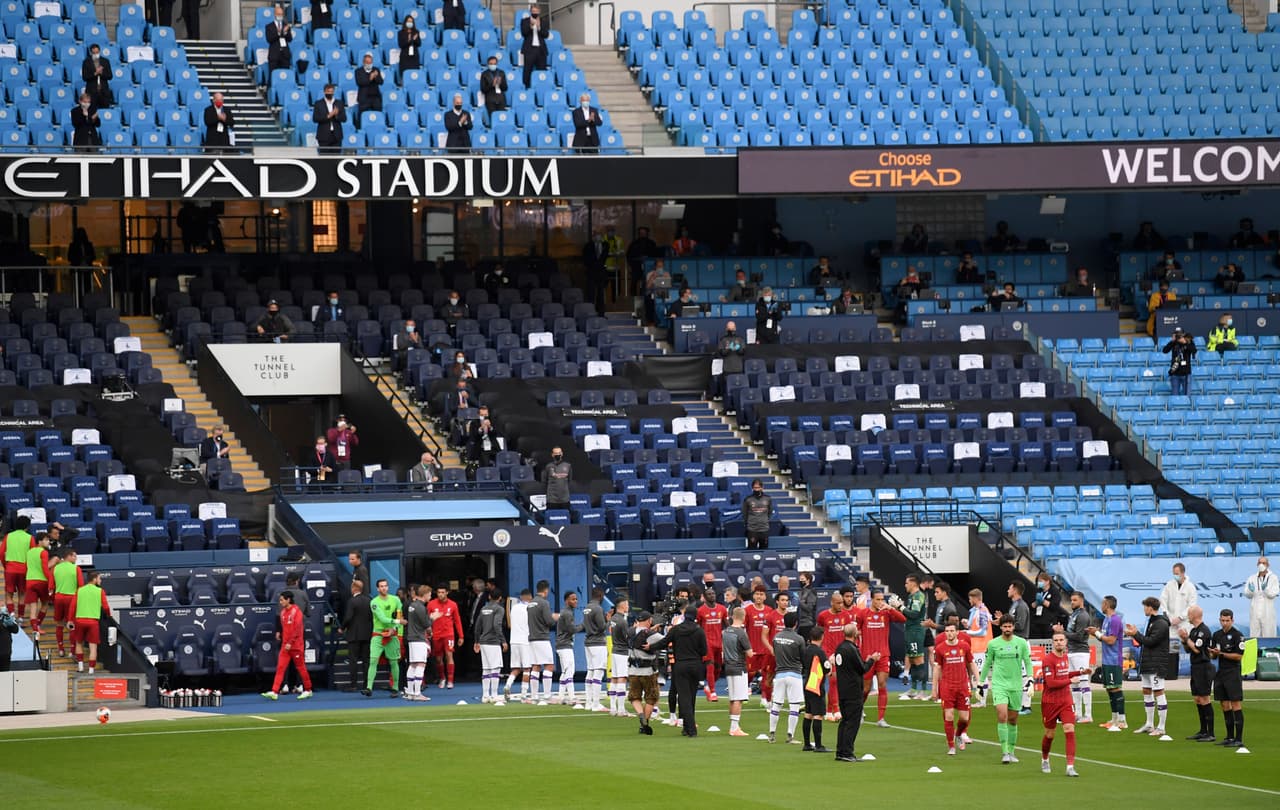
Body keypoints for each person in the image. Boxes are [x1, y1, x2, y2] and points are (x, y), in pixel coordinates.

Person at [979, 615, 1034, 763]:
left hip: (1016, 686)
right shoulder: (993, 644)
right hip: (999, 685)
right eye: (1005, 626)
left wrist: (1030, 678)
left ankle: (1011, 750)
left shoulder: (1021, 643)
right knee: (1002, 715)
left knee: (1013, 719)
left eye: (1010, 626)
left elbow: (1028, 662)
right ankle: (1004, 752)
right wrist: (981, 682)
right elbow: (987, 663)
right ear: (1001, 627)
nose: (1007, 629)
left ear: (1013, 627)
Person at [1039, 630, 1085, 776]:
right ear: (1053, 643)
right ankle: (1045, 759)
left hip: (1065, 700)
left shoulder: (1065, 657)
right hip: (1050, 702)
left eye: (1061, 640)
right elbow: (1051, 683)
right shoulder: (1048, 660)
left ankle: (1070, 767)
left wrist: (1079, 673)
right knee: (1050, 734)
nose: (1059, 642)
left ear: (1065, 642)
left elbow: (1064, 675)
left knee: (1069, 729)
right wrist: (1070, 680)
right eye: (1056, 640)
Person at [1124, 596, 1170, 736]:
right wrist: (1136, 633)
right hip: (1148, 663)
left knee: (1158, 692)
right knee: (1146, 691)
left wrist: (1135, 634)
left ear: (1151, 607)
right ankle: (1149, 724)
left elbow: (1150, 641)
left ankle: (1161, 727)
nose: (1144, 609)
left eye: (1145, 606)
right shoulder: (1152, 621)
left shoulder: (1161, 623)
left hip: (1156, 664)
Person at [857, 590, 904, 727]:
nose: (880, 602)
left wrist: (891, 608)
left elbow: (902, 619)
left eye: (882, 599)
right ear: (871, 600)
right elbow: (857, 630)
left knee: (882, 685)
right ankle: (859, 711)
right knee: (865, 688)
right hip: (867, 656)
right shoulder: (863, 614)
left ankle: (881, 718)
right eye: (877, 599)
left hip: (883, 655)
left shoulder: (886, 613)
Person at [932, 618, 977, 756]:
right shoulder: (940, 649)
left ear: (957, 632)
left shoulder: (964, 647)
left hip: (963, 686)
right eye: (947, 631)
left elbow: (971, 663)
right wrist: (934, 689)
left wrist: (979, 680)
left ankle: (958, 734)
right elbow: (937, 668)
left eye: (952, 631)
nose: (949, 633)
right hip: (947, 687)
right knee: (949, 716)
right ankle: (951, 746)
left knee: (964, 718)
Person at [833, 623, 877, 762]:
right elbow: (862, 668)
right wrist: (872, 660)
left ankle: (840, 751)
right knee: (852, 722)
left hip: (843, 690)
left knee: (844, 721)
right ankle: (847, 752)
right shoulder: (851, 649)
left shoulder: (840, 648)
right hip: (853, 691)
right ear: (855, 634)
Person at [262, 591, 313, 699]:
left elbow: (297, 629)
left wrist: (290, 642)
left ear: (288, 600)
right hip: (285, 646)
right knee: (280, 667)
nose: (280, 602)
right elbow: (285, 629)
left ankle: (308, 689)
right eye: (280, 600)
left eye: (282, 600)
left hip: (296, 646)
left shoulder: (297, 611)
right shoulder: (283, 613)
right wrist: (282, 638)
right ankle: (274, 691)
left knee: (301, 668)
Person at [1087, 595, 1127, 730]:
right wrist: (1095, 633)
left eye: (1103, 603)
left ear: (1108, 605)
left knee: (1115, 688)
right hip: (1106, 659)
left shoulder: (1115, 620)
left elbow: (1111, 640)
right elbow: (1104, 638)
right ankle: (1114, 719)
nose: (1101, 605)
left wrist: (1097, 634)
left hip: (1114, 660)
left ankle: (1122, 720)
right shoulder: (1106, 620)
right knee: (1110, 689)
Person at [766, 612, 806, 744]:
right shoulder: (799, 639)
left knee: (776, 705)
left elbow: (775, 655)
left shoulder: (776, 637)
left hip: (780, 674)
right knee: (794, 706)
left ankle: (771, 734)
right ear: (796, 623)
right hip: (794, 674)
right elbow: (803, 657)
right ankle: (790, 736)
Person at [667, 605, 708, 736]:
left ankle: (691, 729)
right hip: (696, 665)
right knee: (692, 696)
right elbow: (704, 651)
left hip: (681, 665)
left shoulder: (676, 630)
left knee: (684, 697)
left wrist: (650, 647)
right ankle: (686, 727)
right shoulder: (699, 631)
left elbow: (664, 642)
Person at [1208, 608, 1246, 748]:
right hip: (1221, 672)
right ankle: (1229, 737)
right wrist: (1212, 653)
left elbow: (1239, 656)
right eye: (1222, 620)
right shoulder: (1216, 635)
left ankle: (1239, 738)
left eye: (1227, 620)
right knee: (1224, 704)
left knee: (1235, 703)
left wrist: (1221, 654)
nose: (1224, 623)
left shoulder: (1238, 636)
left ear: (1232, 620)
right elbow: (1213, 656)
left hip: (1233, 672)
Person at [1053, 591, 1092, 723]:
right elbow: (1071, 633)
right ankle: (1078, 713)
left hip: (1080, 652)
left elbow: (1080, 636)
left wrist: (1062, 632)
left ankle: (1088, 714)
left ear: (1081, 601)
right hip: (1071, 651)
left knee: (1083, 681)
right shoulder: (1074, 615)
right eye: (1071, 600)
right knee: (1074, 682)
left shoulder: (1083, 616)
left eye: (1075, 600)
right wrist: (1064, 631)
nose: (1072, 602)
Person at [623, 610, 664, 734]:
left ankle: (640, 715)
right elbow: (665, 641)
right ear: (649, 621)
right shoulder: (650, 634)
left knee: (634, 697)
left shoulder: (629, 632)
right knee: (651, 698)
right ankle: (645, 721)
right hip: (648, 672)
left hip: (632, 671)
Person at [1179, 605, 1215, 741]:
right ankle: (1203, 730)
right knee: (1197, 699)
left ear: (1194, 615)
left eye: (1189, 614)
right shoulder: (1194, 631)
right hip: (1195, 667)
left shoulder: (1203, 631)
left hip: (1203, 667)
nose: (1188, 616)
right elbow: (1189, 649)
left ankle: (1210, 733)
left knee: (1205, 698)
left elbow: (1198, 650)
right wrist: (1184, 640)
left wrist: (1186, 638)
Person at [363, 579, 403, 697]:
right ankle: (369, 687)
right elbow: (382, 618)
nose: (384, 588)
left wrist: (394, 628)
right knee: (373, 660)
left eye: (385, 586)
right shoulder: (374, 602)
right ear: (377, 589)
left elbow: (399, 614)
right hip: (378, 634)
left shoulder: (396, 600)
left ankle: (395, 687)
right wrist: (397, 621)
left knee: (394, 661)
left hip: (392, 634)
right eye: (381, 586)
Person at [67, 569, 111, 675]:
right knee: (93, 646)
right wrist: (109, 615)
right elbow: (105, 606)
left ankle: (81, 666)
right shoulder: (100, 591)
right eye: (99, 578)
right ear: (95, 579)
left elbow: (73, 606)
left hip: (80, 621)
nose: (100, 580)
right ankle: (91, 670)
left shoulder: (79, 590)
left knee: (78, 643)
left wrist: (70, 620)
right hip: (93, 622)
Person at [719, 605, 753, 736]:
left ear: (732, 616)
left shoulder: (726, 631)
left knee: (732, 698)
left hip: (728, 666)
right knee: (738, 698)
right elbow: (749, 653)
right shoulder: (741, 633)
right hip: (739, 667)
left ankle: (733, 726)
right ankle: (734, 728)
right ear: (744, 618)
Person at [799, 626, 831, 751]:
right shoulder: (820, 652)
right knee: (818, 714)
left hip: (807, 683)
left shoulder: (806, 650)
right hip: (816, 685)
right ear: (822, 637)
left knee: (808, 713)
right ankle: (818, 745)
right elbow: (827, 670)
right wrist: (831, 663)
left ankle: (807, 744)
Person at [744, 586, 777, 706]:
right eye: (757, 594)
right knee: (750, 672)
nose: (759, 596)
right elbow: (743, 629)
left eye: (761, 594)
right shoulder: (747, 610)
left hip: (766, 649)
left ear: (765, 596)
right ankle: (745, 689)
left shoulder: (769, 610)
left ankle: (764, 697)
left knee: (766, 674)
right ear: (753, 596)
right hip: (752, 648)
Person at [428, 583, 464, 689]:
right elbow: (426, 620)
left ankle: (450, 680)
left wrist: (461, 636)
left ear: (447, 592)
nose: (440, 594)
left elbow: (457, 621)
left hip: (449, 634)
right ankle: (442, 678)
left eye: (443, 592)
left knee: (449, 655)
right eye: (438, 592)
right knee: (438, 658)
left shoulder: (453, 605)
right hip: (436, 635)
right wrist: (427, 632)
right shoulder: (431, 604)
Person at [474, 588, 507, 704]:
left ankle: (485, 695)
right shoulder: (499, 609)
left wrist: (476, 641)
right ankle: (494, 695)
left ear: (489, 597)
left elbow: (477, 626)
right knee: (495, 668)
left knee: (486, 669)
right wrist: (503, 640)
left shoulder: (483, 609)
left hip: (483, 641)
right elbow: (497, 625)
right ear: (500, 598)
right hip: (493, 641)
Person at [526, 580, 557, 704]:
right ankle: (547, 695)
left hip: (532, 638)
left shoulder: (530, 603)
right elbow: (549, 622)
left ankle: (534, 696)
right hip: (542, 638)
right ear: (546, 590)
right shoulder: (544, 603)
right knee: (549, 665)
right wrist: (555, 618)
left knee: (536, 665)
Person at [340, 579, 372, 691]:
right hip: (367, 634)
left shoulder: (352, 601)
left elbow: (348, 617)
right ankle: (366, 685)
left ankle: (353, 685)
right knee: (366, 660)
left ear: (353, 588)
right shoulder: (369, 600)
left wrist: (342, 627)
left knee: (353, 660)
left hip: (354, 634)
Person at [900, 575, 929, 700]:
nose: (905, 585)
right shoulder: (911, 596)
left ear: (913, 583)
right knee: (912, 659)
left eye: (907, 583)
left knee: (918, 660)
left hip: (916, 631)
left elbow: (915, 614)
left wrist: (901, 607)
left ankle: (922, 690)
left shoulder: (918, 596)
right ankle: (913, 689)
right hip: (910, 630)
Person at [579, 587, 608, 712]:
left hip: (588, 642)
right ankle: (596, 704)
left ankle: (589, 702)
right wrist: (609, 620)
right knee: (599, 671)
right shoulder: (598, 608)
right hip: (598, 643)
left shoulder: (586, 608)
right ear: (600, 596)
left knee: (590, 671)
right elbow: (602, 627)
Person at [696, 588, 727, 701]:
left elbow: (726, 625)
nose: (712, 595)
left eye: (713, 593)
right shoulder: (700, 611)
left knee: (718, 668)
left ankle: (709, 687)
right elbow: (697, 627)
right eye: (709, 594)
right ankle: (713, 692)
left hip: (719, 642)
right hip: (707, 642)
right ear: (704, 597)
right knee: (710, 665)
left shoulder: (722, 609)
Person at [401, 585, 432, 701]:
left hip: (411, 638)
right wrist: (433, 618)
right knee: (420, 664)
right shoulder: (420, 607)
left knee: (413, 664)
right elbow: (426, 624)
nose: (430, 596)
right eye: (429, 594)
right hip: (419, 638)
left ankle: (410, 692)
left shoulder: (412, 606)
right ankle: (417, 693)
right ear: (424, 595)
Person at [50, 548, 83, 656]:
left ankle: (60, 648)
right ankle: (72, 651)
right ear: (68, 556)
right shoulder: (76, 568)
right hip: (71, 599)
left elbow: (51, 586)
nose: (76, 558)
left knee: (59, 624)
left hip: (58, 598)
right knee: (72, 624)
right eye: (74, 556)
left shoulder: (55, 568)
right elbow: (81, 586)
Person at [964, 588, 993, 707]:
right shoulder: (975, 611)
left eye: (971, 598)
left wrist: (968, 632)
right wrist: (967, 625)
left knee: (981, 674)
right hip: (975, 647)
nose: (969, 600)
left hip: (981, 648)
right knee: (977, 673)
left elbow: (983, 632)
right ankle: (980, 699)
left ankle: (982, 701)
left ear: (976, 598)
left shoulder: (982, 611)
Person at [505, 589, 533, 702]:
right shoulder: (529, 608)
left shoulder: (514, 607)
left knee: (516, 668)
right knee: (527, 668)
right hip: (524, 640)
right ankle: (524, 695)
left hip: (514, 640)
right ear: (530, 597)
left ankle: (508, 685)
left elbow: (510, 623)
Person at [554, 592, 581, 705]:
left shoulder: (566, 612)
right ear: (566, 601)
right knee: (570, 671)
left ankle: (560, 697)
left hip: (563, 645)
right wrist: (584, 625)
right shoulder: (568, 613)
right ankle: (572, 697)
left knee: (565, 671)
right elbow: (572, 629)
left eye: (576, 599)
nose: (575, 601)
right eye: (573, 599)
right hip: (565, 645)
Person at [23, 533, 52, 638]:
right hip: (41, 581)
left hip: (30, 581)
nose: (48, 542)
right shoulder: (43, 552)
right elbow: (45, 568)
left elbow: (26, 567)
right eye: (46, 539)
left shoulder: (29, 552)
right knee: (45, 604)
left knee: (33, 607)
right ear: (39, 541)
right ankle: (38, 624)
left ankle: (35, 629)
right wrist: (50, 580)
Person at [608, 596, 631, 716]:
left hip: (615, 650)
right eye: (627, 604)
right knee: (622, 678)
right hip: (622, 652)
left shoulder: (613, 619)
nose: (628, 606)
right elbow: (627, 638)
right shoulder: (622, 621)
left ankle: (613, 708)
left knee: (614, 678)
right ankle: (621, 709)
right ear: (622, 606)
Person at [1244, 556, 1278, 638]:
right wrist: (1251, 591)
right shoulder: (1252, 578)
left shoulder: (1273, 578)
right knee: (1254, 635)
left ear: (1268, 565)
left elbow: (1273, 594)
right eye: (1259, 563)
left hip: (1267, 611)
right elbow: (1247, 594)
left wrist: (1265, 589)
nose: (1261, 565)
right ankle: (1255, 650)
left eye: (1263, 563)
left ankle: (1270, 649)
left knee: (1269, 634)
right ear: (1257, 564)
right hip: (1255, 611)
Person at [1159, 561, 1198, 630]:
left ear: (1183, 573)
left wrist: (1180, 618)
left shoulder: (1190, 587)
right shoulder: (1169, 585)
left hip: (1185, 624)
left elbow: (1192, 605)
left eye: (1177, 574)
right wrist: (1167, 615)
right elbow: (1163, 600)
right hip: (1170, 622)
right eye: (1174, 574)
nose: (1175, 576)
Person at [520, 6, 549, 88]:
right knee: (527, 70)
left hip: (541, 50)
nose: (535, 13)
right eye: (533, 11)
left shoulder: (543, 21)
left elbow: (546, 35)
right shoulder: (525, 21)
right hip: (529, 50)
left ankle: (541, 87)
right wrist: (531, 26)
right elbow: (524, 33)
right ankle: (526, 87)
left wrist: (539, 27)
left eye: (536, 11)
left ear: (539, 11)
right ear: (530, 11)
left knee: (542, 71)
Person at [1030, 571, 1064, 640]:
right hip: (1037, 621)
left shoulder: (1054, 591)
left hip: (1049, 623)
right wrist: (1037, 602)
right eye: (1038, 581)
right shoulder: (1038, 590)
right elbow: (1032, 605)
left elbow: (1054, 606)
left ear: (1047, 581)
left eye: (1040, 581)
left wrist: (1043, 601)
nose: (1039, 583)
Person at [313, 84, 345, 153]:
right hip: (323, 136)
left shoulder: (339, 103)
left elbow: (344, 118)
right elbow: (315, 118)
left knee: (336, 158)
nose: (330, 93)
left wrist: (336, 115)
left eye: (331, 91)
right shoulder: (318, 104)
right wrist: (328, 116)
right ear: (324, 92)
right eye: (328, 91)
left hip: (336, 136)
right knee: (325, 158)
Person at [583, 231, 610, 311]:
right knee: (591, 291)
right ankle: (591, 309)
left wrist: (599, 264)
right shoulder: (588, 246)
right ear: (593, 237)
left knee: (601, 291)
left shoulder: (605, 245)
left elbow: (604, 256)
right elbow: (586, 259)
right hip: (591, 271)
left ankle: (600, 309)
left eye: (599, 236)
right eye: (596, 236)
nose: (598, 237)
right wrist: (593, 265)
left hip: (601, 271)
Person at [81, 43, 112, 108]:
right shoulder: (86, 62)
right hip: (91, 91)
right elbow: (85, 77)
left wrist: (101, 73)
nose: (96, 54)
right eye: (94, 53)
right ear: (91, 53)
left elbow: (110, 76)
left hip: (104, 91)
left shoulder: (105, 61)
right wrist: (95, 73)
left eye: (97, 52)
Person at [743, 479, 772, 550]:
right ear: (752, 488)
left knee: (764, 550)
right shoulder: (748, 499)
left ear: (762, 488)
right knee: (751, 550)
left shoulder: (768, 499)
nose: (756, 489)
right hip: (752, 529)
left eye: (758, 487)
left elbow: (770, 512)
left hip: (764, 528)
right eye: (755, 488)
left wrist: (764, 520)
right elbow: (745, 513)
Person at [541, 447, 571, 511]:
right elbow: (544, 481)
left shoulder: (568, 466)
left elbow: (569, 480)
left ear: (562, 454)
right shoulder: (548, 466)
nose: (557, 455)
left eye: (559, 453)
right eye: (556, 453)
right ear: (552, 455)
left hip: (564, 499)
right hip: (552, 500)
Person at [265, 4, 292, 70]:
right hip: (274, 55)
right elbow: (269, 39)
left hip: (285, 55)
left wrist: (285, 32)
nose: (280, 16)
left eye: (281, 14)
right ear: (275, 14)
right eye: (279, 14)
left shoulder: (285, 25)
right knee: (274, 75)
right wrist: (279, 33)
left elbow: (290, 39)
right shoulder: (269, 26)